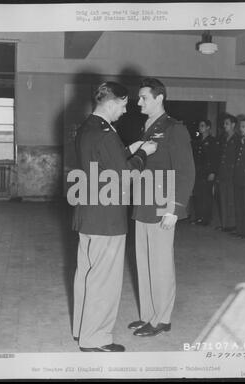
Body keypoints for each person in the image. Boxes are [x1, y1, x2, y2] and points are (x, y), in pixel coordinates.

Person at [71, 82, 157, 352]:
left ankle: (81, 330)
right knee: (104, 281)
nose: (125, 109)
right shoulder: (106, 133)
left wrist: (131, 147)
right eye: (123, 104)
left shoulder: (89, 127)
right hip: (107, 218)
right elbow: (125, 173)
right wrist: (144, 153)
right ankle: (95, 339)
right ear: (111, 102)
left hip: (88, 214)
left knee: (86, 274)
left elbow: (107, 160)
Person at [128, 78, 195, 337]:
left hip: (161, 206)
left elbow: (186, 171)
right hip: (143, 205)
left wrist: (174, 209)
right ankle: (148, 315)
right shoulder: (147, 127)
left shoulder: (174, 128)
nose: (139, 101)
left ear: (159, 98)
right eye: (139, 97)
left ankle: (162, 319)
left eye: (144, 97)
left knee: (161, 264)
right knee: (144, 263)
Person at [191, 119, 218, 226]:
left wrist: (213, 172)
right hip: (198, 172)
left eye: (202, 125)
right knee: (197, 195)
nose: (200, 127)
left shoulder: (212, 141)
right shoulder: (198, 141)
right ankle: (198, 217)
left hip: (207, 172)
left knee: (206, 196)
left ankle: (206, 218)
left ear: (208, 127)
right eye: (199, 125)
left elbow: (215, 158)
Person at [215, 114, 238, 232]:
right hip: (223, 173)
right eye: (224, 124)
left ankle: (232, 224)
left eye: (227, 124)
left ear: (233, 125)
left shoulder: (237, 139)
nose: (224, 126)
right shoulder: (223, 138)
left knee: (231, 200)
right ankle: (225, 225)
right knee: (223, 199)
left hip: (232, 174)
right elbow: (220, 157)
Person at [233, 117, 245, 238]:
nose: (241, 129)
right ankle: (240, 230)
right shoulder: (241, 140)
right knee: (239, 204)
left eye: (243, 126)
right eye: (240, 126)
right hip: (239, 177)